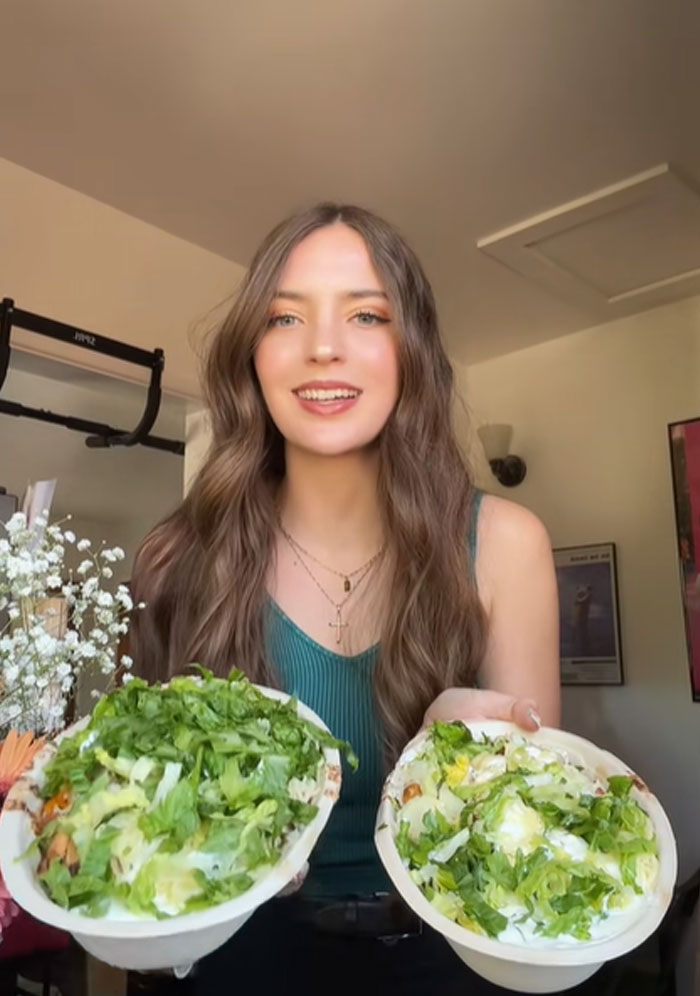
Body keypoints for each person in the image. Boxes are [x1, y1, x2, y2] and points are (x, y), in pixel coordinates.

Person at [129, 203, 560, 995]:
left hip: (446, 958)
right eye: (284, 317)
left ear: (411, 351)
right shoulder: (180, 553)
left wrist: (453, 752)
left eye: (366, 314)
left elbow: (527, 835)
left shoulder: (506, 543)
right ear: (252, 356)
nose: (322, 347)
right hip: (240, 959)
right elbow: (159, 822)